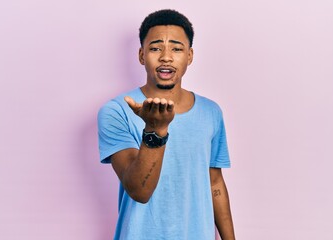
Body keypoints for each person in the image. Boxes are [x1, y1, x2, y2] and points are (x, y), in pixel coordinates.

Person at [98, 9, 235, 240]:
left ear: (190, 56)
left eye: (176, 48)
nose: (166, 57)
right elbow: (139, 191)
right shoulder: (116, 111)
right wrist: (155, 130)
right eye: (155, 48)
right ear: (141, 55)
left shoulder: (211, 112)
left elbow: (215, 183)